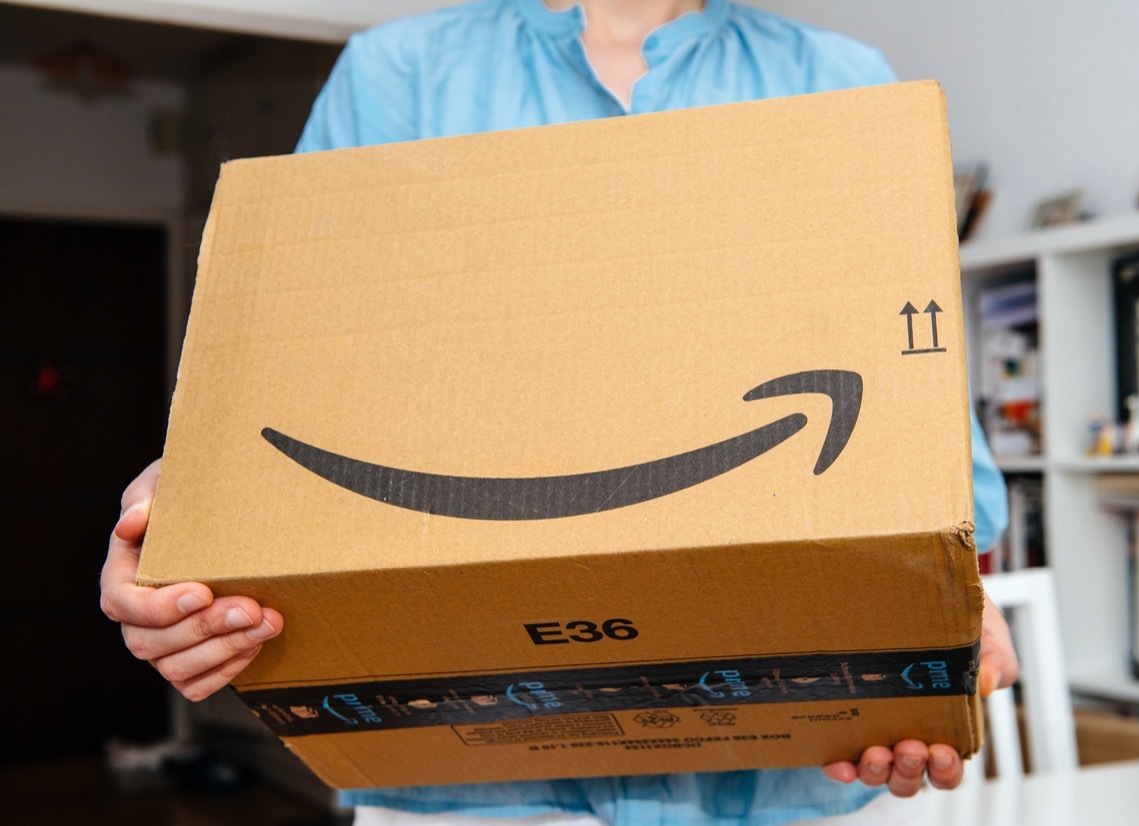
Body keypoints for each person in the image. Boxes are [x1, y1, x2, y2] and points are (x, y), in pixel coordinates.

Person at [101, 1, 1017, 824]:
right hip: (474, 788)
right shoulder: (403, 74)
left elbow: (914, 411)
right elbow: (295, 370)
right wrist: (189, 514)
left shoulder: (839, 75)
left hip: (793, 780)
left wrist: (948, 623)